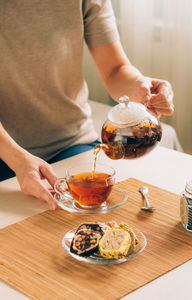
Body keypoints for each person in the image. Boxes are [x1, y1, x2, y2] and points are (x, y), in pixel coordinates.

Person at [0, 0, 174, 210]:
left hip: (72, 143)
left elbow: (114, 69)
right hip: (5, 153)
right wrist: (16, 158)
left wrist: (139, 86)